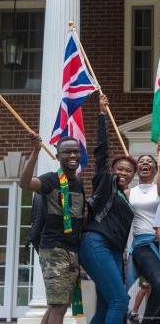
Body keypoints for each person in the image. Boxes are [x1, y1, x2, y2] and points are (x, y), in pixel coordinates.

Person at [79, 94, 137, 324]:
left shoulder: (126, 196)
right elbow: (101, 153)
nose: (123, 173)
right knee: (120, 301)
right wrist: (102, 115)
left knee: (105, 305)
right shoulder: (105, 183)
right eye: (120, 169)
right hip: (96, 242)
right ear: (113, 171)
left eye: (128, 171)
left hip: (113, 250)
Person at [20, 134, 84, 324]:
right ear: (58, 156)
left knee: (58, 305)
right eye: (67, 152)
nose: (73, 155)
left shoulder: (78, 183)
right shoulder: (51, 180)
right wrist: (35, 151)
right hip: (54, 249)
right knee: (59, 305)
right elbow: (25, 183)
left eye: (76, 151)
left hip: (72, 250)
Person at [128, 151, 160, 323]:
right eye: (141, 161)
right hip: (143, 245)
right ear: (136, 169)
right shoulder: (129, 192)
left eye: (149, 161)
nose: (145, 163)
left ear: (155, 168)